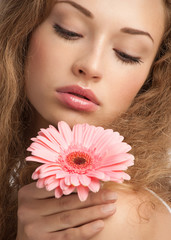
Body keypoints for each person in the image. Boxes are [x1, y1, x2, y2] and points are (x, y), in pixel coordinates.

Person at [0, 0, 170, 239]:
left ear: (151, 78)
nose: (90, 66)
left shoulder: (103, 214)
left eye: (127, 54)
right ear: (23, 31)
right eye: (69, 31)